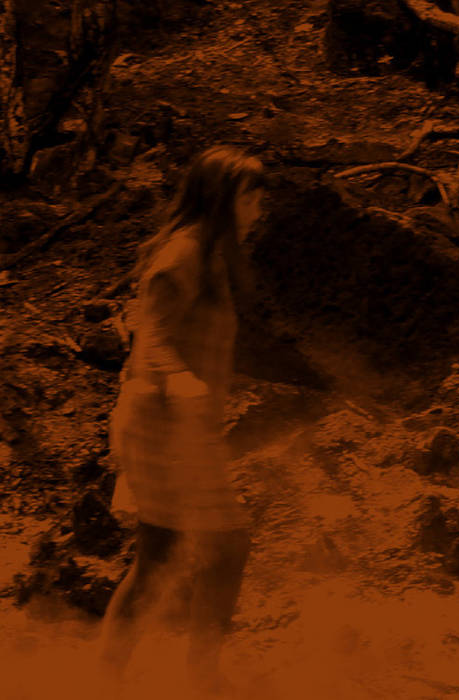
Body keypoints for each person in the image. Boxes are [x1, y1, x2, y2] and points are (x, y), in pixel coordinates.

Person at [99, 145, 265, 697]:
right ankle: (194, 677)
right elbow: (153, 334)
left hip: (179, 426)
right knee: (217, 547)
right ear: (221, 198)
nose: (259, 208)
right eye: (250, 196)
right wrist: (180, 379)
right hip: (162, 425)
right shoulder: (184, 253)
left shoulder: (212, 254)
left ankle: (118, 677)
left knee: (165, 555)